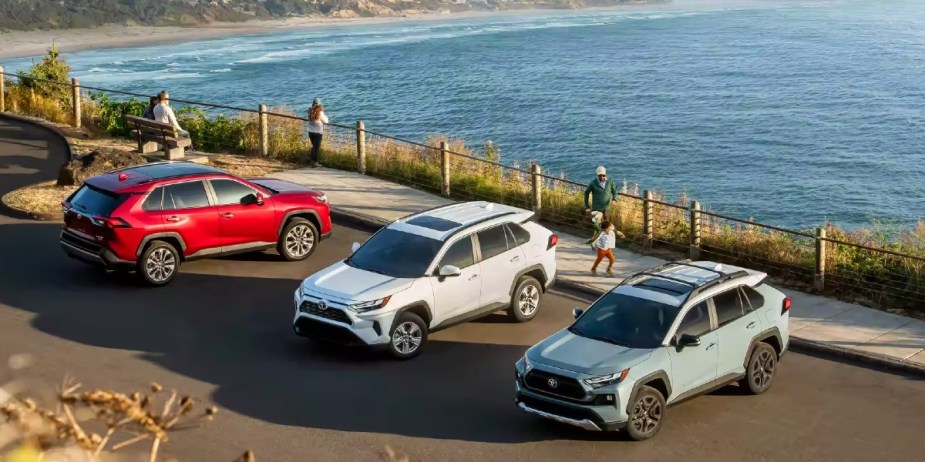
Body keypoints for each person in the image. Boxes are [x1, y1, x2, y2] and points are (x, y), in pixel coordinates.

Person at [584, 166, 619, 244]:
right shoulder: (593, 183)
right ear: (597, 175)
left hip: (606, 208)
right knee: (597, 224)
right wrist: (587, 206)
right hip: (596, 208)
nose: (602, 177)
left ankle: (607, 239)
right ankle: (594, 240)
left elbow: (615, 192)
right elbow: (586, 193)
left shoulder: (610, 182)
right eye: (600, 175)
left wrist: (614, 199)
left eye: (603, 175)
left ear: (605, 175)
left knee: (606, 224)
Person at [307, 98, 329, 168]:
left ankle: (312, 161)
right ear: (319, 104)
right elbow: (326, 121)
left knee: (314, 147)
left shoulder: (310, 111)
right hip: (318, 133)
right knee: (316, 148)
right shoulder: (320, 113)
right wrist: (325, 116)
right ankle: (315, 163)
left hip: (310, 132)